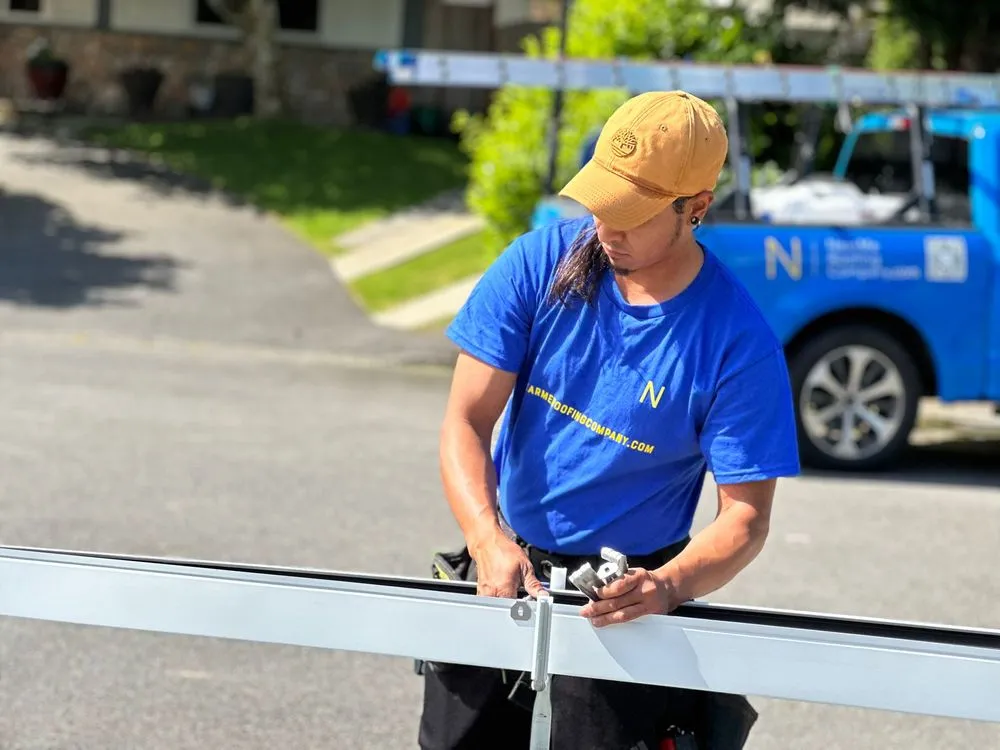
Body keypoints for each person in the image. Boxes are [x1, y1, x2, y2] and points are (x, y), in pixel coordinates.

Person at [417, 90, 801, 750]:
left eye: (631, 213)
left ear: (697, 209)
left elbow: (745, 518)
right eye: (601, 202)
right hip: (504, 567)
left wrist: (668, 586)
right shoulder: (539, 263)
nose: (605, 227)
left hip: (629, 603)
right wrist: (485, 537)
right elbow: (467, 421)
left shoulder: (736, 340)